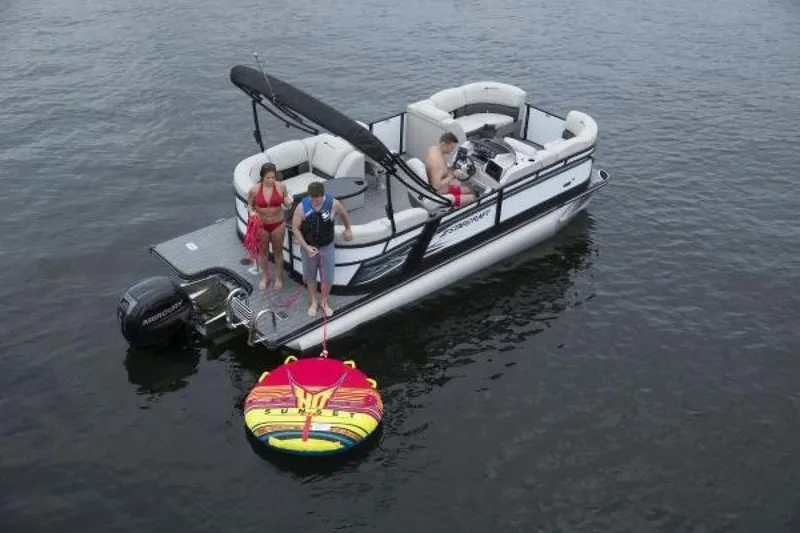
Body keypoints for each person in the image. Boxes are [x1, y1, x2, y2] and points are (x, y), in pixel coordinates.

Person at [291, 182, 353, 317]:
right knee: (310, 276)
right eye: (312, 199)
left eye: (317, 199)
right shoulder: (301, 208)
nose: (314, 202)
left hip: (327, 246)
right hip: (309, 248)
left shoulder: (334, 203)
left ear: (322, 195)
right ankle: (313, 301)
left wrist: (348, 228)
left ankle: (324, 301)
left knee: (328, 277)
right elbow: (295, 228)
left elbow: (343, 213)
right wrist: (306, 247)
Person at [248, 162, 293, 290]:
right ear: (262, 177)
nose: (271, 180)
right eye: (268, 178)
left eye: (273, 177)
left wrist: (288, 202)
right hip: (262, 225)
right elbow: (250, 205)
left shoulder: (281, 187)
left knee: (278, 252)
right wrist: (251, 213)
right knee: (263, 253)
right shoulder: (254, 190)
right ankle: (265, 277)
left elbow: (286, 201)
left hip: (278, 224)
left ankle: (279, 277)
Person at [424, 131, 476, 207]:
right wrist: (453, 175)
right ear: (443, 144)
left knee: (469, 190)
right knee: (472, 197)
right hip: (439, 194)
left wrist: (451, 168)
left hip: (442, 187)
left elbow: (440, 171)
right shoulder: (436, 162)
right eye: (451, 147)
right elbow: (436, 186)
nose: (452, 150)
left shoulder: (433, 149)